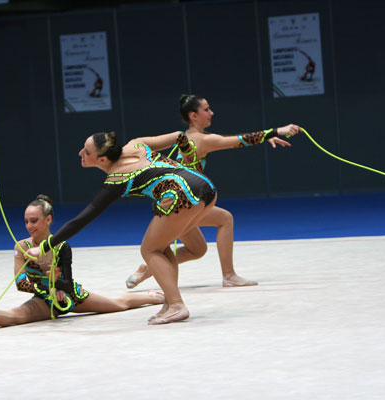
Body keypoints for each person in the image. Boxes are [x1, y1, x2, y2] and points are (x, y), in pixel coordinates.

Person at [19, 130, 229, 325]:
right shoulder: (137, 144)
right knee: (160, 246)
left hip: (181, 195)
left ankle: (176, 304)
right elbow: (180, 136)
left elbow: (81, 220)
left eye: (87, 151)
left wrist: (44, 247)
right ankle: (171, 301)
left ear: (102, 160)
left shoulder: (117, 179)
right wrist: (192, 164)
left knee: (149, 249)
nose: (80, 152)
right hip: (207, 187)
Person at [125, 94, 300, 289]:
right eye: (206, 109)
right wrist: (276, 131)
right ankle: (229, 275)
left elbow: (235, 139)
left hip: (175, 201)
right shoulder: (201, 140)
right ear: (194, 115)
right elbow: (238, 141)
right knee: (225, 219)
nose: (211, 113)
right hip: (184, 202)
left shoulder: (188, 137)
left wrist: (268, 135)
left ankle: (146, 270)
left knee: (197, 249)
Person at [0, 195, 164, 327]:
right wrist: (48, 288)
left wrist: (56, 284)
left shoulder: (61, 247)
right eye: (26, 221)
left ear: (48, 220)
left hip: (72, 296)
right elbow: (20, 283)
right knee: (16, 316)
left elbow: (67, 282)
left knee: (118, 304)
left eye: (34, 221)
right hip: (44, 299)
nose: (29, 226)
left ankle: (153, 296)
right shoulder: (21, 247)